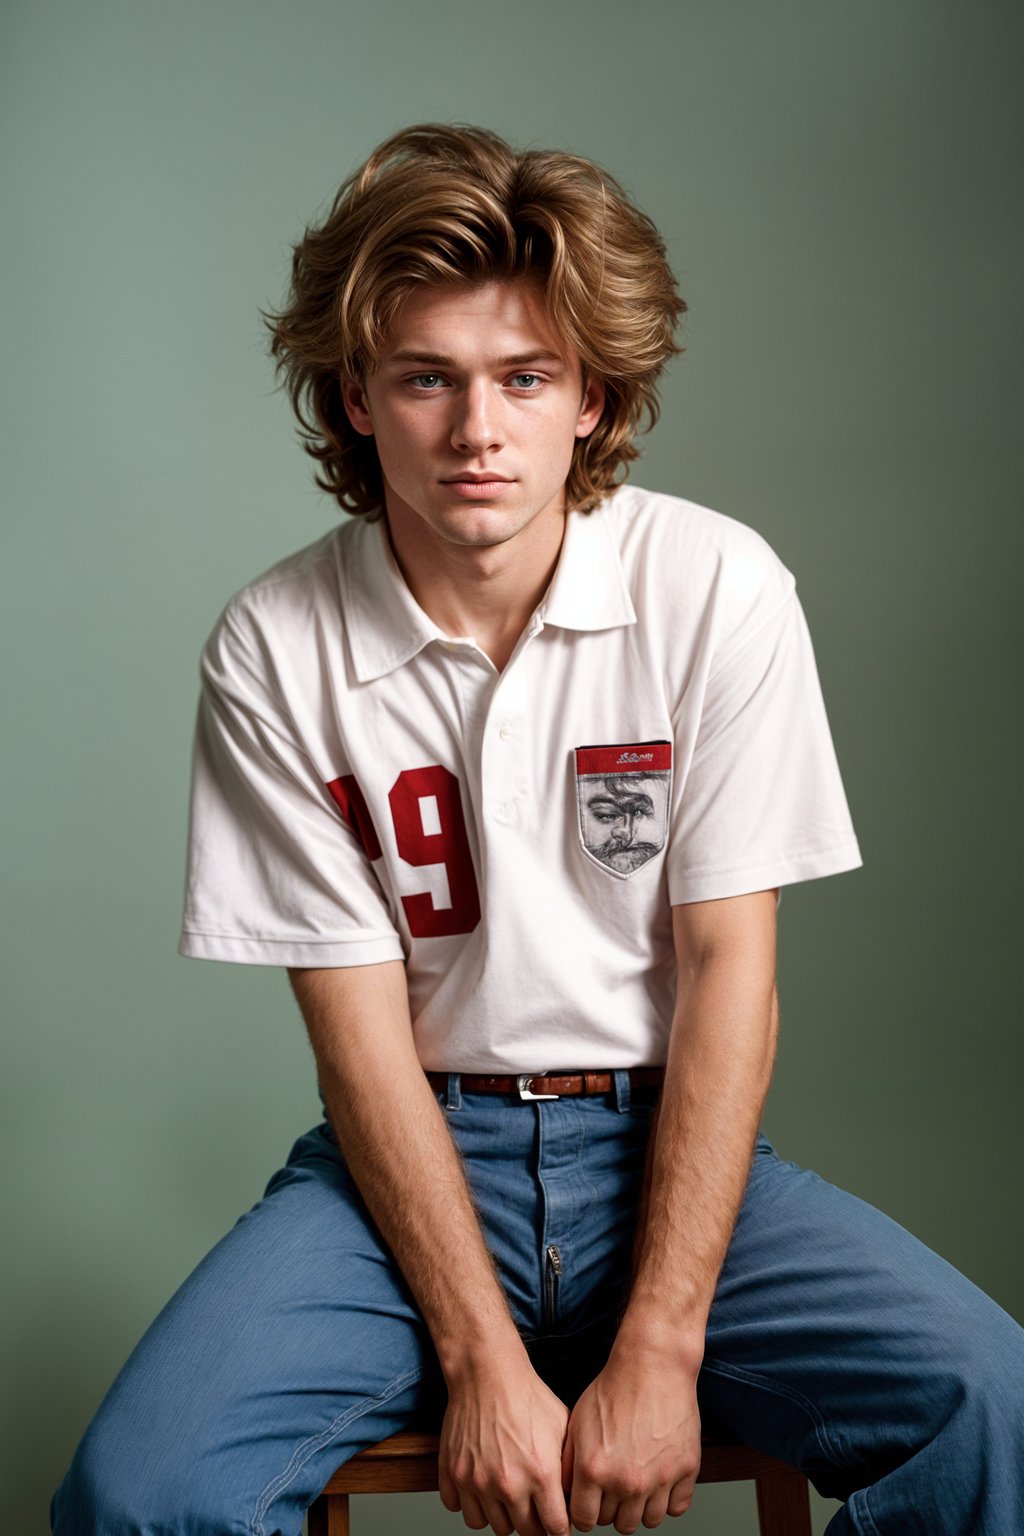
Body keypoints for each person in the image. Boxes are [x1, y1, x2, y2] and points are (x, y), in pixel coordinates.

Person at [51, 123, 1023, 1536]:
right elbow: (357, 1032)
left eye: (524, 377)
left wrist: (662, 1346)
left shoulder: (715, 586)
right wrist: (481, 1361)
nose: (476, 428)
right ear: (357, 397)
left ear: (592, 397)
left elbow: (729, 968)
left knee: (994, 1409)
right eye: (427, 379)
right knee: (137, 1494)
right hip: (406, 1175)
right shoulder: (274, 642)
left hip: (669, 1148)